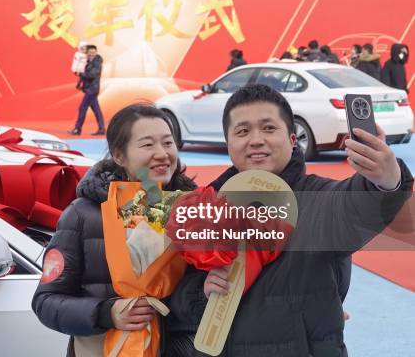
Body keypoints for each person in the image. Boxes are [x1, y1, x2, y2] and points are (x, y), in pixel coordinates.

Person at [165, 84, 412, 356]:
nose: (256, 139)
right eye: (243, 131)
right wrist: (202, 292)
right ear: (228, 143)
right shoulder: (204, 208)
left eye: (269, 128)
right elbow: (176, 297)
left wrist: (386, 180)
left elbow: (353, 206)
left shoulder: (317, 198)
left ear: (293, 139)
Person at [32, 104, 197, 356]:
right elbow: (46, 301)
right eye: (147, 145)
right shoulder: (83, 215)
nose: (162, 154)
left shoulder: (195, 211)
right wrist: (105, 312)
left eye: (168, 142)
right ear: (119, 155)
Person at [69, 45, 106, 136]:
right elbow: (83, 72)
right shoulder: (88, 61)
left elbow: (92, 75)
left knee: (82, 108)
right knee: (96, 109)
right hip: (89, 88)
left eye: (93, 52)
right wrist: (77, 72)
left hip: (92, 89)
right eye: (90, 52)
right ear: (87, 53)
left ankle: (77, 129)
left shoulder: (97, 61)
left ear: (96, 52)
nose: (91, 53)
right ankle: (102, 129)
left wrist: (81, 73)